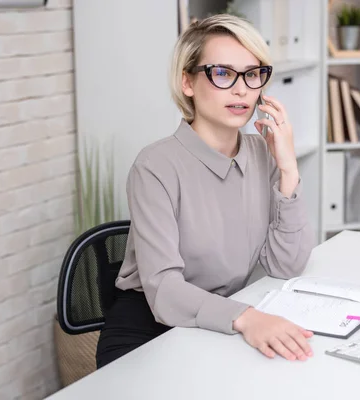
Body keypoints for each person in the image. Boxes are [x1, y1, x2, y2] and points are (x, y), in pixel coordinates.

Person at [95, 13, 317, 369]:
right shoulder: (155, 165)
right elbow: (164, 290)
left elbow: (285, 266)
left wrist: (289, 169)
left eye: (252, 74)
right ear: (187, 82)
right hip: (148, 329)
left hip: (222, 322)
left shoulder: (263, 152)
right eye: (223, 73)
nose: (242, 89)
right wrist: (246, 318)